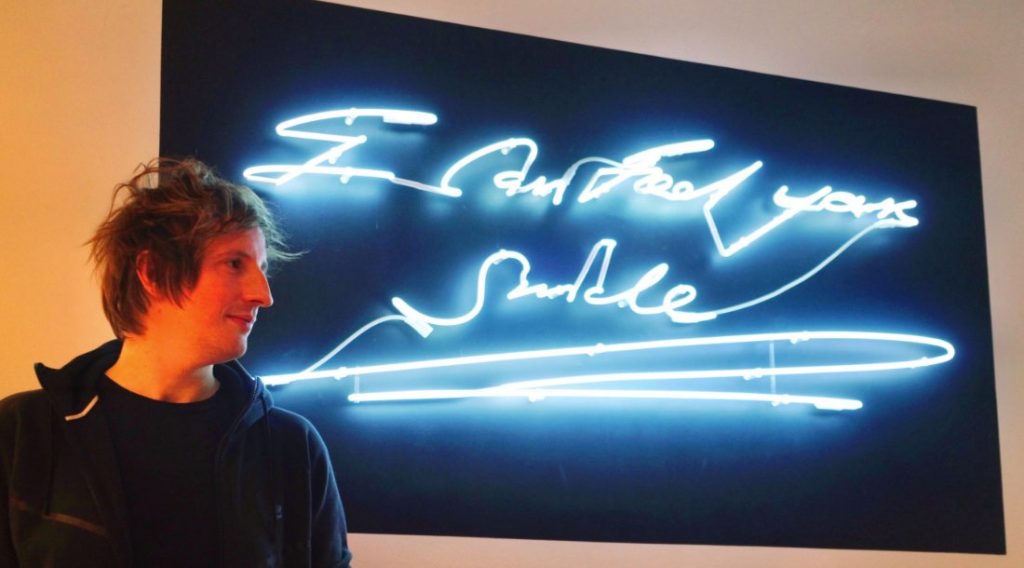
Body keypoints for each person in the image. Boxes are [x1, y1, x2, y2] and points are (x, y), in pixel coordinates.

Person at [0, 158, 352, 567]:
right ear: (152, 271)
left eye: (262, 269)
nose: (263, 294)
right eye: (234, 264)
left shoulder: (292, 447)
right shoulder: (23, 435)